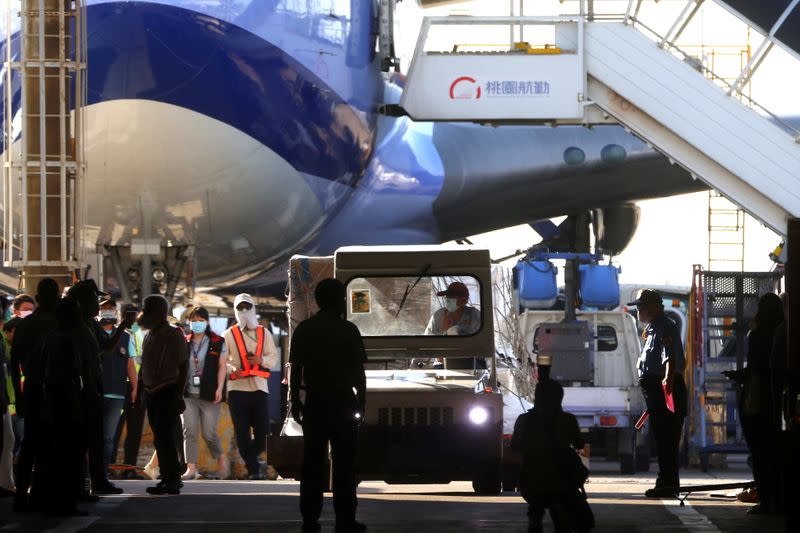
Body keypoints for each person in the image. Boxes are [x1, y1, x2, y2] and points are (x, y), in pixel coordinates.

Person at [290, 278, 367, 533]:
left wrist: (294, 402)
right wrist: (362, 404)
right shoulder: (349, 330)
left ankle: (309, 519)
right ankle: (345, 520)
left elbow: (296, 369)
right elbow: (359, 373)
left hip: (315, 403)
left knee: (312, 464)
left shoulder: (304, 329)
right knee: (345, 465)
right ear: (339, 300)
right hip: (344, 403)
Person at [724, 292, 784, 514]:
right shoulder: (783, 332)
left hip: (757, 401)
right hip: (776, 402)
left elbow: (756, 368)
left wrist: (737, 375)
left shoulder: (758, 335)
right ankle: (778, 499)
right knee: (775, 453)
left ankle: (767, 501)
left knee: (759, 453)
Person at [66, 280, 126, 496]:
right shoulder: (70, 326)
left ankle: (98, 481)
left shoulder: (91, 324)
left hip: (93, 388)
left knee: (96, 438)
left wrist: (123, 325)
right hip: (77, 391)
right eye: (93, 298)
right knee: (79, 441)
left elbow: (107, 347)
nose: (97, 303)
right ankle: (79, 486)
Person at [630, 289, 687, 497]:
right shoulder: (653, 329)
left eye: (641, 306)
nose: (638, 310)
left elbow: (671, 359)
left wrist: (666, 389)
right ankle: (666, 482)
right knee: (662, 440)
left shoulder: (665, 328)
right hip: (657, 392)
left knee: (667, 440)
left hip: (665, 390)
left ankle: (668, 485)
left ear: (654, 307)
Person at [511, 379, 587, 533]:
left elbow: (514, 446)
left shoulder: (523, 420)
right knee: (564, 511)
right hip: (563, 482)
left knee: (536, 505)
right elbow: (579, 444)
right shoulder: (568, 420)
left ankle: (535, 518)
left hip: (530, 482)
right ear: (560, 398)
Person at [10, 278, 60, 512]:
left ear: (37, 299)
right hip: (56, 388)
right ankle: (44, 492)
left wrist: (19, 397)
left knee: (31, 441)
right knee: (53, 442)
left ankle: (22, 492)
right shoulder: (61, 323)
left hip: (32, 386)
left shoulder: (26, 325)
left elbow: (14, 362)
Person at [39, 297, 91, 516]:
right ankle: (66, 500)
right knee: (70, 452)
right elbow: (72, 373)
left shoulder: (50, 337)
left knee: (56, 452)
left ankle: (55, 499)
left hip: (52, 399)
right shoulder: (68, 340)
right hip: (67, 400)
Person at [134, 294, 188, 495]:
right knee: (159, 438)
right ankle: (166, 478)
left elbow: (183, 366)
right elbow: (144, 367)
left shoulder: (174, 334)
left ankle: (173, 479)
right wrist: (138, 393)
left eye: (147, 309)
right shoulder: (149, 336)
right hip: (151, 393)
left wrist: (179, 395)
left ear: (158, 312)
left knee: (167, 437)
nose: (143, 314)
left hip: (167, 391)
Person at [223, 294, 278, 480]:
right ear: (235, 311)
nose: (244, 311)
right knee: (242, 433)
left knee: (263, 433)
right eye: (240, 308)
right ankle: (253, 469)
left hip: (259, 388)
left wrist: (260, 360)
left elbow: (273, 357)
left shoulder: (264, 333)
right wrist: (233, 370)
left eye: (247, 307)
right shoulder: (229, 334)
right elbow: (223, 361)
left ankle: (252, 458)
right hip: (237, 388)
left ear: (253, 308)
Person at [181, 306, 229, 480]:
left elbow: (222, 366)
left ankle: (222, 461)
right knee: (189, 430)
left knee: (209, 433)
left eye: (201, 321)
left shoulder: (217, 341)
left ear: (207, 322)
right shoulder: (185, 341)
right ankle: (191, 468)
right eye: (194, 321)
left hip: (209, 393)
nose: (197, 324)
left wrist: (219, 388)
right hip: (188, 395)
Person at [96, 297, 138, 473]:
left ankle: (103, 471)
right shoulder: (93, 332)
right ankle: (91, 471)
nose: (108, 311)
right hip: (96, 392)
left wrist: (135, 387)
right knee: (93, 435)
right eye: (104, 308)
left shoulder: (126, 337)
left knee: (108, 436)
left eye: (111, 309)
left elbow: (130, 363)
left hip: (117, 393)